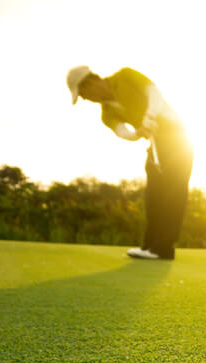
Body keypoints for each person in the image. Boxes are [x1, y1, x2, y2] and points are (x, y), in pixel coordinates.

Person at [67, 66, 193, 260]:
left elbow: (153, 92)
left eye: (82, 94)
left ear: (89, 83)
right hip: (155, 143)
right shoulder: (106, 113)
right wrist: (138, 133)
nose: (85, 99)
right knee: (154, 195)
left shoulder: (125, 75)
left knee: (174, 193)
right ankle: (150, 246)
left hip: (177, 136)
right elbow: (122, 132)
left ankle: (163, 248)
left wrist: (150, 115)